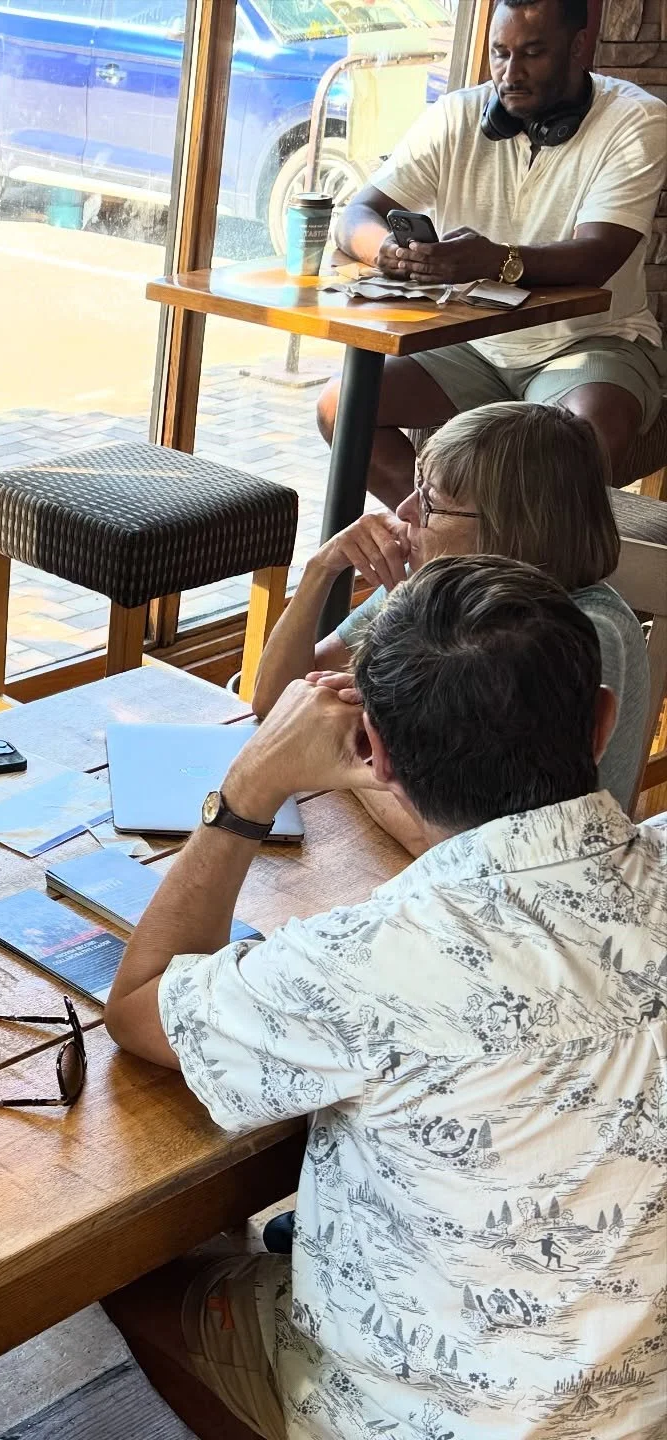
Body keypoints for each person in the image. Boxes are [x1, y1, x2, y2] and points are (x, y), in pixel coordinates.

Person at [101, 555, 666, 1440]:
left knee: (132, 1266)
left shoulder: (371, 958)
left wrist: (251, 785)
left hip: (431, 1420)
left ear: (374, 752)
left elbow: (139, 1003)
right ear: (602, 721)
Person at [252, 402, 648, 848]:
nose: (403, 512)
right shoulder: (447, 588)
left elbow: (468, 842)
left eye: (430, 502)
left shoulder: (575, 634)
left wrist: (350, 752)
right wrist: (322, 568)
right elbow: (274, 700)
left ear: (510, 525)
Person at [320, 0, 667, 504]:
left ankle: (498, 567)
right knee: (340, 408)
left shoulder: (637, 120)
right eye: (499, 53)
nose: (510, 72)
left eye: (532, 53)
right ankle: (452, 548)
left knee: (585, 441)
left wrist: (492, 260)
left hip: (589, 340)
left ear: (577, 47)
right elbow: (358, 215)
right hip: (471, 340)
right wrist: (389, 252)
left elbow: (598, 256)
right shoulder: (456, 114)